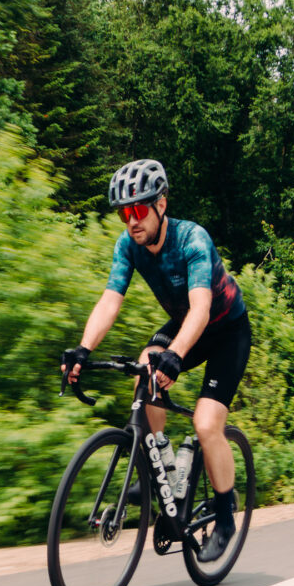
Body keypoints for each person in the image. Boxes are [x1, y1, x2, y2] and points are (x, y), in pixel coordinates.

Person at [62, 159, 251, 560]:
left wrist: (176, 356)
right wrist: (83, 350)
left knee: (205, 423)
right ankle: (161, 467)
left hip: (225, 332)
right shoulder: (128, 246)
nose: (130, 221)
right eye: (123, 213)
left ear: (160, 205)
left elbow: (201, 309)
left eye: (137, 210)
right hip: (186, 324)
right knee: (144, 366)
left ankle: (225, 514)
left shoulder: (192, 239)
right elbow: (110, 301)